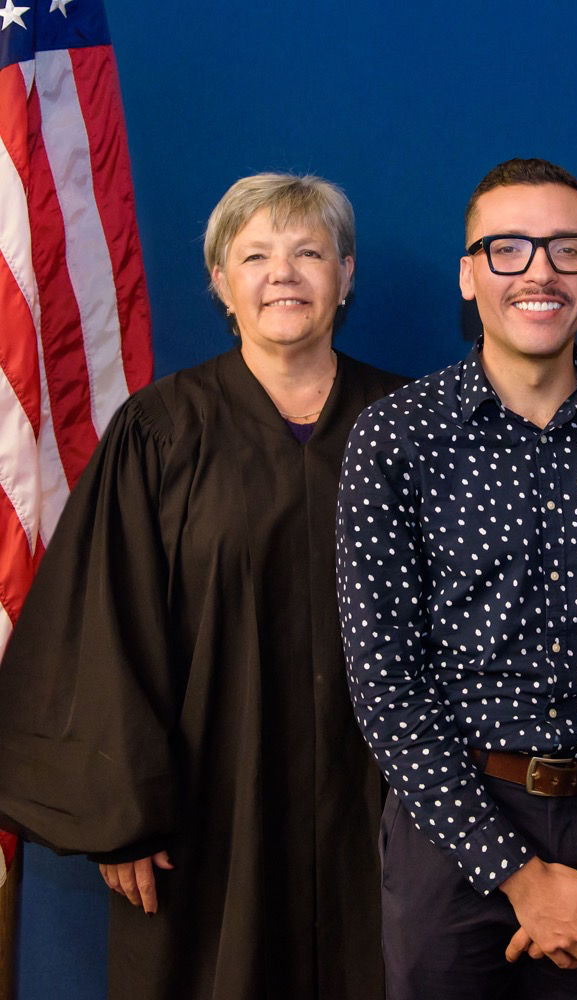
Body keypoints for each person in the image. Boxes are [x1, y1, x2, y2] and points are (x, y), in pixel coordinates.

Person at [0, 173, 407, 1000]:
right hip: (209, 818)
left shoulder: (408, 428)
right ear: (221, 283)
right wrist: (121, 817)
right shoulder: (159, 433)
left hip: (385, 813)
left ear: (347, 275)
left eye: (308, 253)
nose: (282, 274)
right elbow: (105, 627)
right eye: (254, 255)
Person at [336, 157, 577, 1000]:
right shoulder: (394, 440)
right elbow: (386, 685)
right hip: (452, 829)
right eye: (508, 248)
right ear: (469, 277)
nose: (540, 271)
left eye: (566, 249)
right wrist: (520, 879)